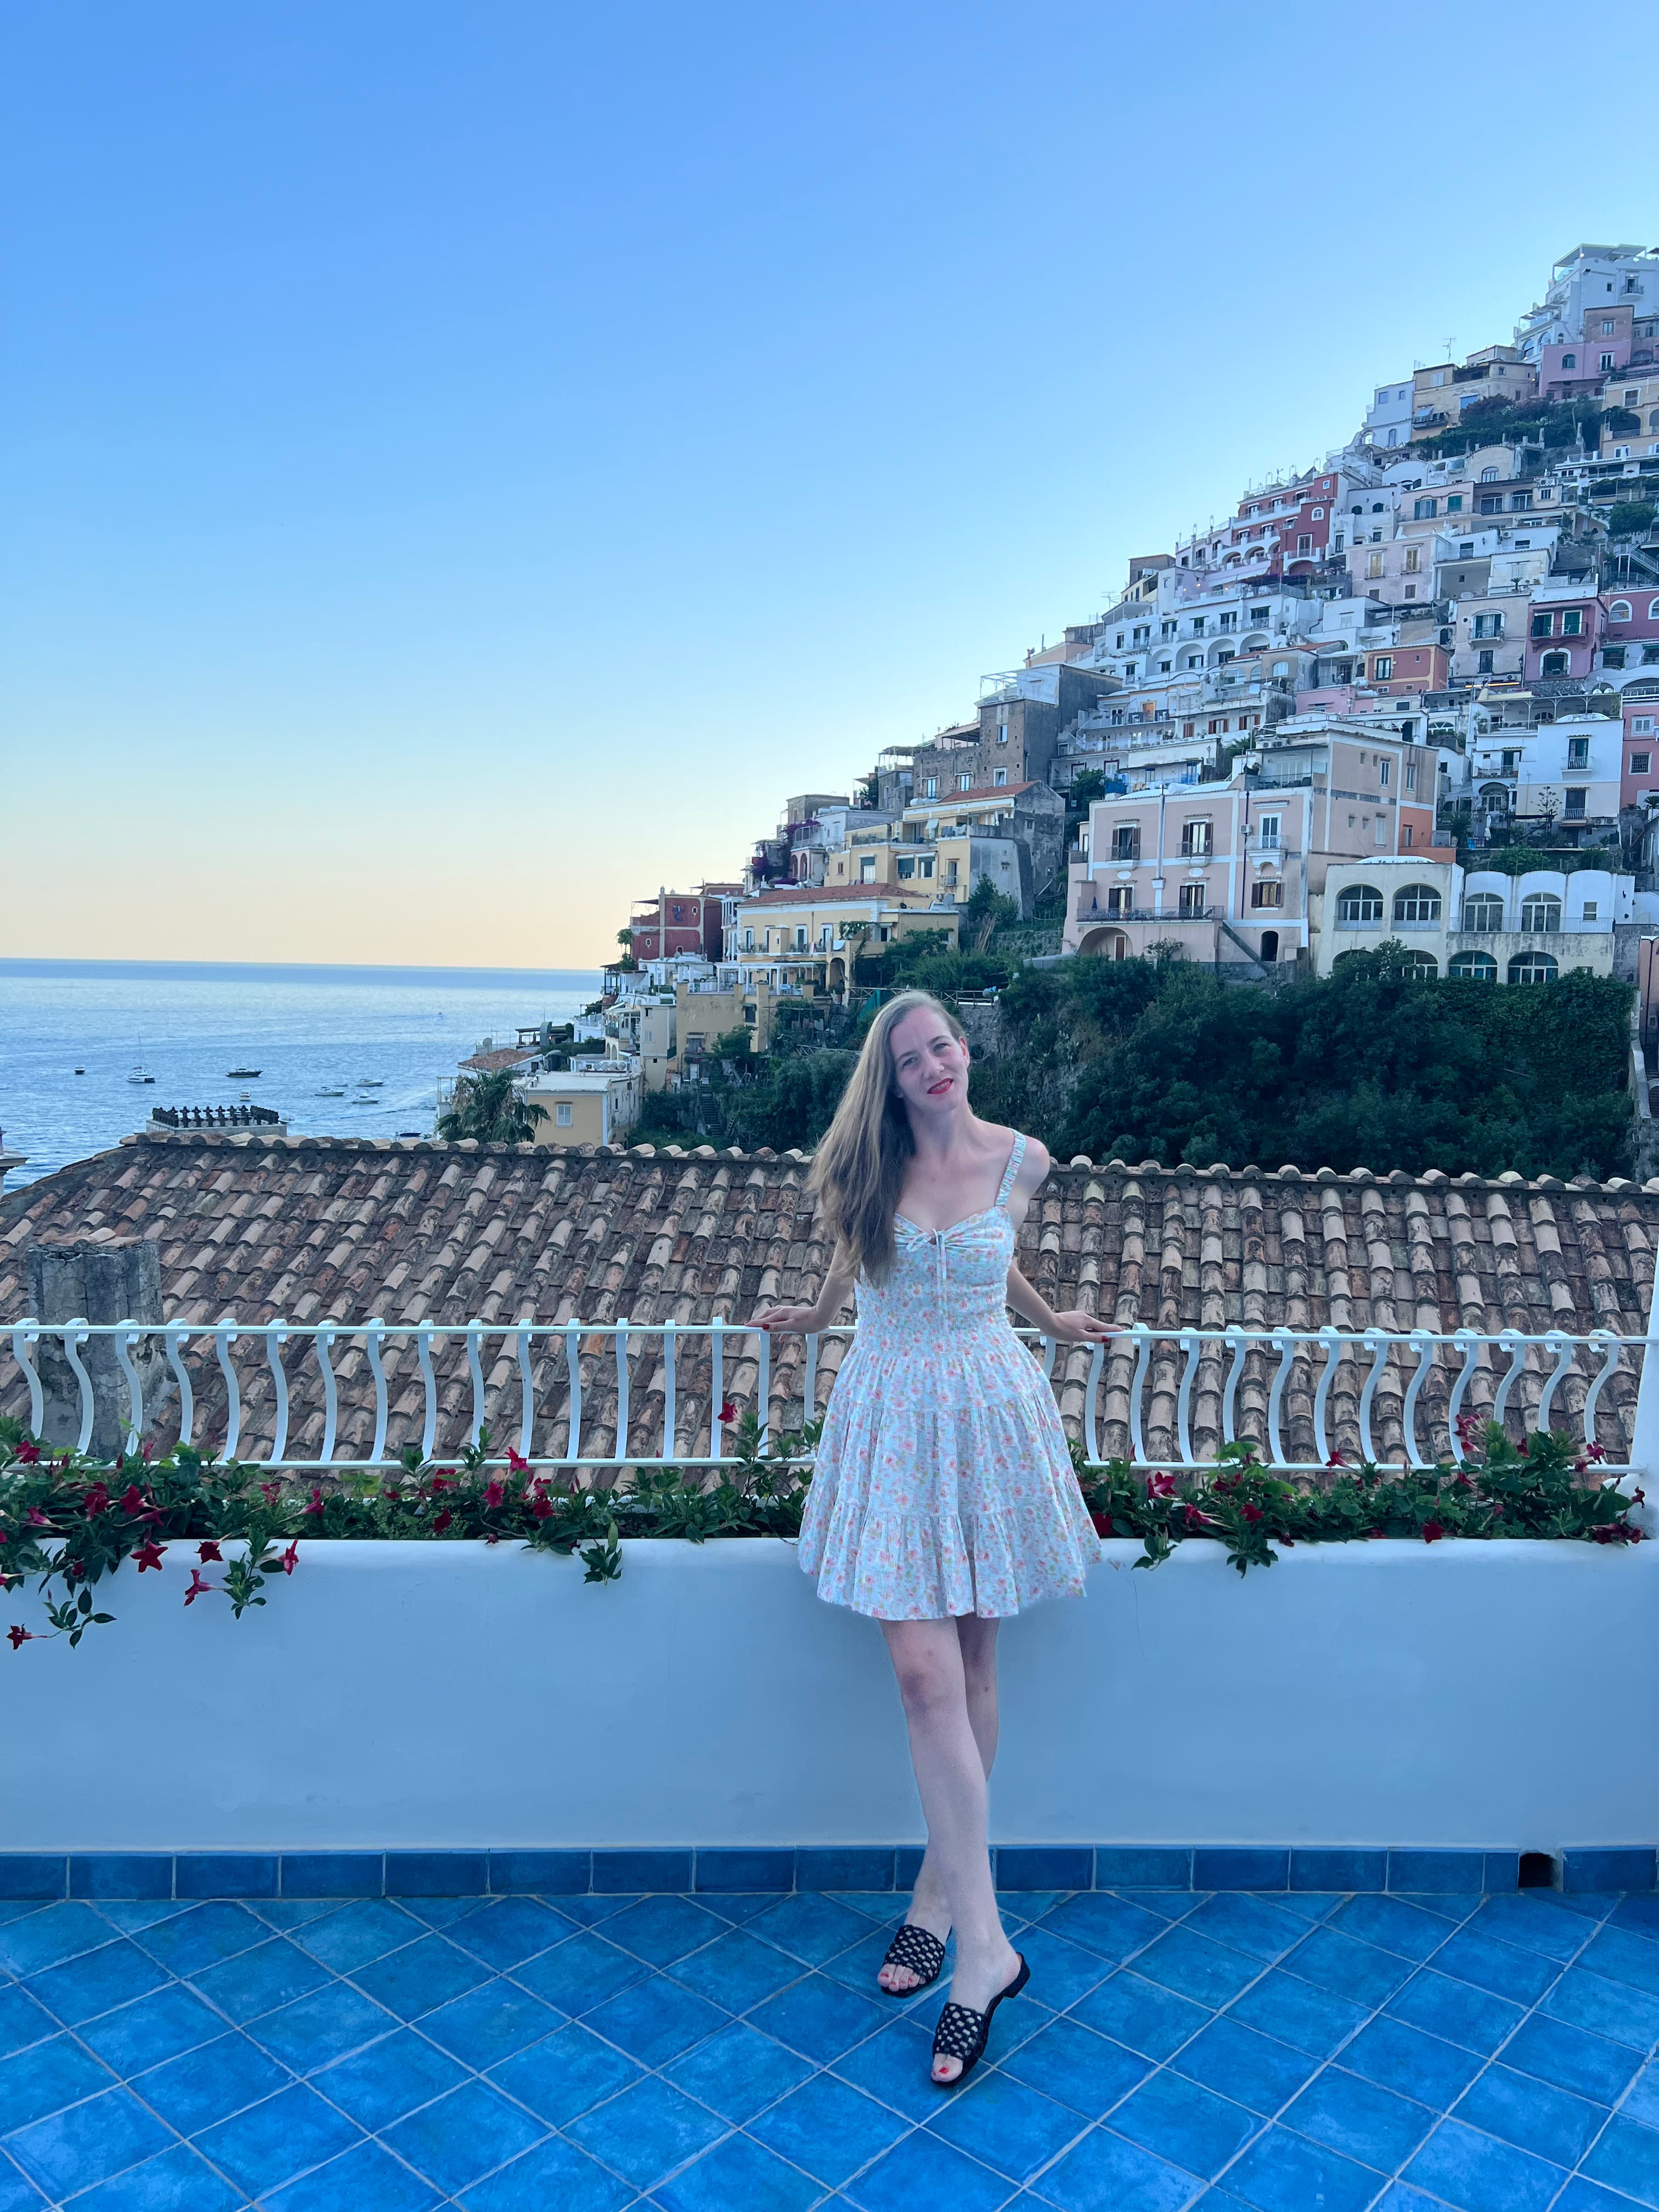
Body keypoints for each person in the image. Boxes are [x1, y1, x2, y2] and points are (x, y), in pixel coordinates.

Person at [755, 988, 1113, 2086]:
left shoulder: (1025, 1159)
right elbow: (854, 1268)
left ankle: (936, 1904)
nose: (935, 1065)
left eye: (945, 1045)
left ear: (966, 1051)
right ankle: (988, 1948)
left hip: (990, 1410)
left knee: (972, 1663)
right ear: (890, 1076)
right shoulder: (865, 1171)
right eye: (913, 1057)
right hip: (895, 1414)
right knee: (923, 1677)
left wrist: (1049, 1321)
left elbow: (983, 1255)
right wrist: (813, 1323)